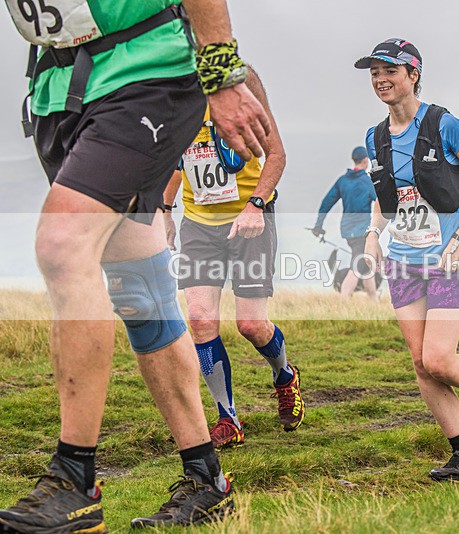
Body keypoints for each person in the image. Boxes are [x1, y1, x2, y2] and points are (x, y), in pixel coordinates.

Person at [0, 1, 272, 531]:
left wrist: (220, 71)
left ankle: (74, 480)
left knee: (62, 244)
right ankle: (206, 480)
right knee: (141, 287)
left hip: (147, 75)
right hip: (61, 91)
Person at [356, 38, 459, 481]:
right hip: (401, 261)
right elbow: (386, 198)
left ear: (413, 74)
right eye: (375, 74)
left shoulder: (445, 124)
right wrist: (371, 237)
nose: (381, 80)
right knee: (421, 363)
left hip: (447, 260)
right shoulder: (375, 136)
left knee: (440, 359)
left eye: (390, 72)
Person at [163, 65, 305, 449]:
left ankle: (284, 375)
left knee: (251, 325)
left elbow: (277, 155)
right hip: (199, 225)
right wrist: (165, 210)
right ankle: (228, 418)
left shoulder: (240, 96)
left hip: (249, 221)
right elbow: (177, 162)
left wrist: (256, 205)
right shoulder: (173, 103)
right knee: (200, 319)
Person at [312, 146, 379, 299]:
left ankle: (374, 300)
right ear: (365, 160)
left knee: (365, 262)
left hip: (347, 230)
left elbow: (326, 203)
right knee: (358, 265)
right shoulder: (366, 181)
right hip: (362, 231)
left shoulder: (342, 181)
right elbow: (380, 204)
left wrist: (318, 226)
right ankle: (344, 298)